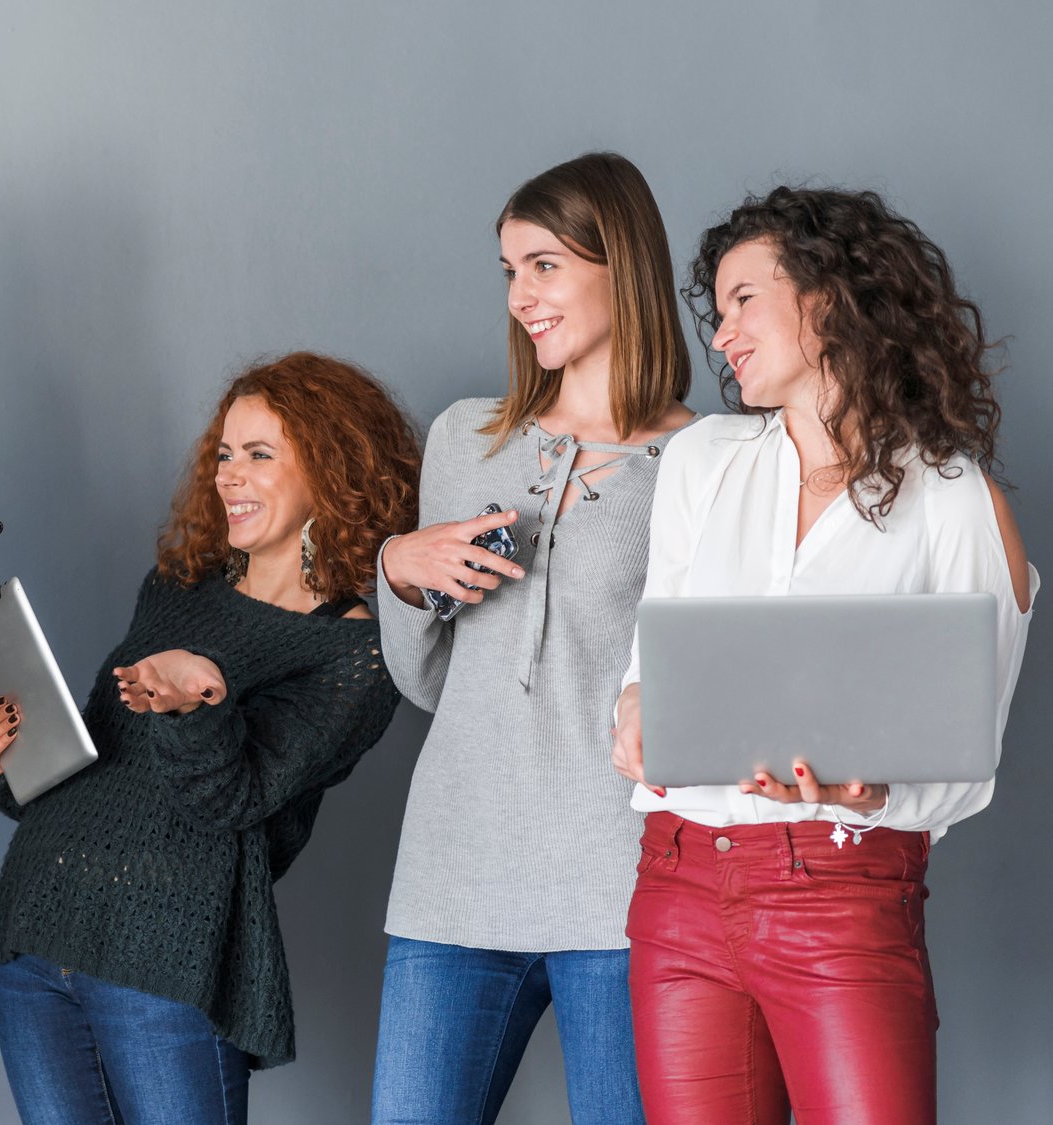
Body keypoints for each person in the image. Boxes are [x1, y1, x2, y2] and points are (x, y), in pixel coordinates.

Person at [611, 186, 1037, 1123]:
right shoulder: (701, 461)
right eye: (715, 313)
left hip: (842, 893)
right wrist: (636, 708)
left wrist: (874, 792)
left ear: (829, 298)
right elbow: (654, 648)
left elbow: (970, 764)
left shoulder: (954, 496)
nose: (720, 335)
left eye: (743, 301)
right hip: (678, 882)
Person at [0, 353, 419, 1124]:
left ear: (334, 468)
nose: (230, 476)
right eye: (225, 455)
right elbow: (93, 769)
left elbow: (232, 802)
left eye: (260, 455)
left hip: (164, 951)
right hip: (35, 926)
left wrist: (200, 701)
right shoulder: (175, 588)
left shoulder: (353, 651)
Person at [372, 152, 695, 1124]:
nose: (520, 295)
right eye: (508, 270)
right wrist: (399, 567)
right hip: (452, 873)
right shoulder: (463, 436)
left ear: (619, 267)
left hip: (622, 882)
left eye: (543, 265)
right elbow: (425, 679)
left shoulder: (701, 460)